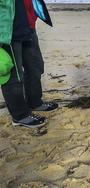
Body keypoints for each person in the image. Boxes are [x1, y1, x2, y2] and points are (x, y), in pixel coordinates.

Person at [0, 0, 58, 128]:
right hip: (7, 31)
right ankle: (20, 115)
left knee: (35, 66)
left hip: (27, 25)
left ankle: (35, 101)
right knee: (14, 75)